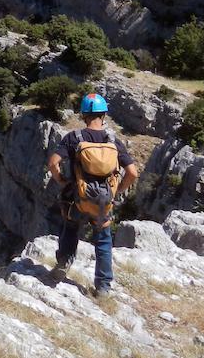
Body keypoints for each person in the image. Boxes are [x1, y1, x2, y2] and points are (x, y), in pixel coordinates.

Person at [46, 93, 140, 297]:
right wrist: (118, 191)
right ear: (104, 114)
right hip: (103, 201)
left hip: (77, 198)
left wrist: (62, 180)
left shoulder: (74, 138)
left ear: (84, 115)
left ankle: (63, 263)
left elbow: (53, 162)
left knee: (70, 227)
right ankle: (103, 287)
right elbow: (132, 173)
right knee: (104, 241)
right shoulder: (114, 140)